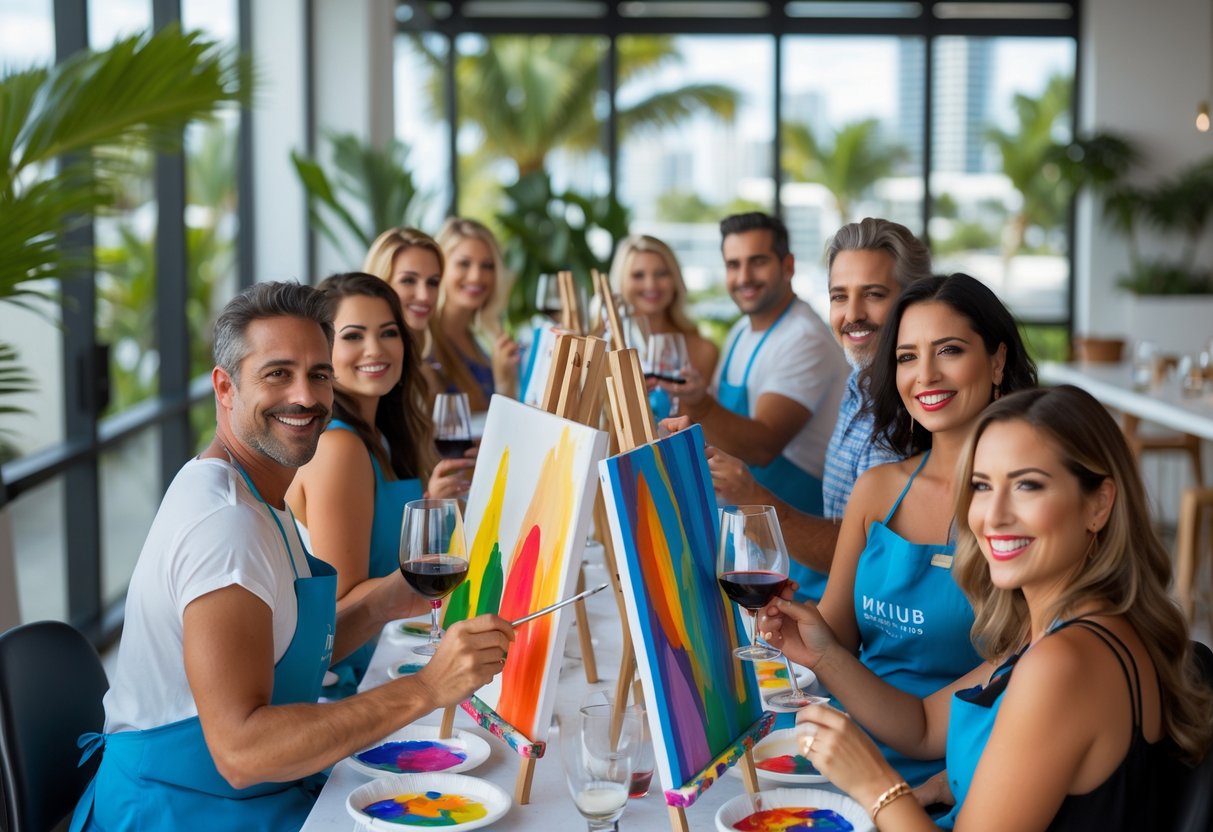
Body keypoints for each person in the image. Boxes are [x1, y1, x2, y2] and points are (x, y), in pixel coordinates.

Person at [70, 282, 513, 830]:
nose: (305, 396)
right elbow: (243, 753)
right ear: (225, 387)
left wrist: (382, 604)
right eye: (277, 373)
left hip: (241, 796)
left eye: (319, 374)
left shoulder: (256, 491)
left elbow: (279, 649)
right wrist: (427, 686)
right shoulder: (226, 526)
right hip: (178, 810)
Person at [765, 385, 1213, 830]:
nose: (992, 515)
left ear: (1099, 504)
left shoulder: (1062, 663)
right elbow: (921, 727)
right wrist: (826, 654)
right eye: (981, 485)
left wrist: (875, 784)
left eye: (1027, 485)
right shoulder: (1073, 629)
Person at [286, 273, 475, 699]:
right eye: (353, 336)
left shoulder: (383, 434)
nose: (376, 349)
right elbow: (344, 600)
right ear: (322, 351)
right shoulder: (339, 447)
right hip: (354, 683)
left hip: (391, 652)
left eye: (389, 332)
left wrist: (432, 507)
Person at [708, 217, 931, 574]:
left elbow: (859, 550)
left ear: (914, 300)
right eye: (839, 296)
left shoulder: (917, 410)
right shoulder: (858, 387)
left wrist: (750, 495)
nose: (853, 314)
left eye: (873, 294)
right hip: (821, 582)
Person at [664, 211, 848, 599]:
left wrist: (699, 405)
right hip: (753, 549)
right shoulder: (740, 331)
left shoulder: (805, 338)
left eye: (757, 261)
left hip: (802, 565)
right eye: (733, 264)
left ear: (788, 265)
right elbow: (716, 424)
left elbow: (761, 444)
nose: (743, 277)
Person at [608, 234, 719, 418]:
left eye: (661, 274)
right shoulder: (605, 346)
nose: (651, 285)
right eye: (638, 275)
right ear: (621, 282)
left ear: (675, 280)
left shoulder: (704, 350)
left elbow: (697, 423)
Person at [433, 217, 519, 412]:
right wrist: (505, 385)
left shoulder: (481, 338)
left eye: (487, 266)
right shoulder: (425, 342)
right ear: (439, 267)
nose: (476, 276)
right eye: (464, 263)